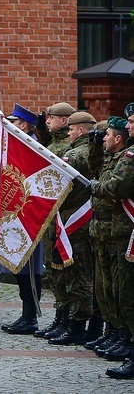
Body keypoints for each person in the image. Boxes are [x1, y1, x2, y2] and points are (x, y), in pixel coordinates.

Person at [88, 115, 134, 377]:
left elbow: (115, 187)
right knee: (107, 288)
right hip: (109, 231)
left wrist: (97, 187)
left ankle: (124, 339)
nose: (129, 127)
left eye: (132, 122)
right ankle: (118, 335)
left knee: (123, 293)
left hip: (122, 231)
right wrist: (97, 147)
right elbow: (95, 169)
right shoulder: (116, 156)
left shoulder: (128, 156)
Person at [45, 111, 96, 345]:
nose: (71, 134)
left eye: (73, 130)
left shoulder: (77, 153)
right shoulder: (87, 151)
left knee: (77, 276)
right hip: (71, 218)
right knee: (70, 274)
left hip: (76, 218)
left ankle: (77, 326)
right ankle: (69, 321)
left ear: (80, 130)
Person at [1, 103, 45, 335]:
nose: (11, 126)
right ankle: (26, 315)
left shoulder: (33, 147)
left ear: (24, 125)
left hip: (29, 217)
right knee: (20, 268)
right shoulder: (19, 146)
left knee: (29, 268)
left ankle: (30, 316)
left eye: (14, 123)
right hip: (17, 215)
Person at [33, 102, 75, 338]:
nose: (48, 121)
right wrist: (40, 133)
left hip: (66, 218)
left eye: (53, 118)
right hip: (54, 217)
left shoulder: (68, 145)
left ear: (65, 121)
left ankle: (69, 320)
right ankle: (60, 318)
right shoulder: (53, 141)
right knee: (55, 272)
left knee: (67, 274)